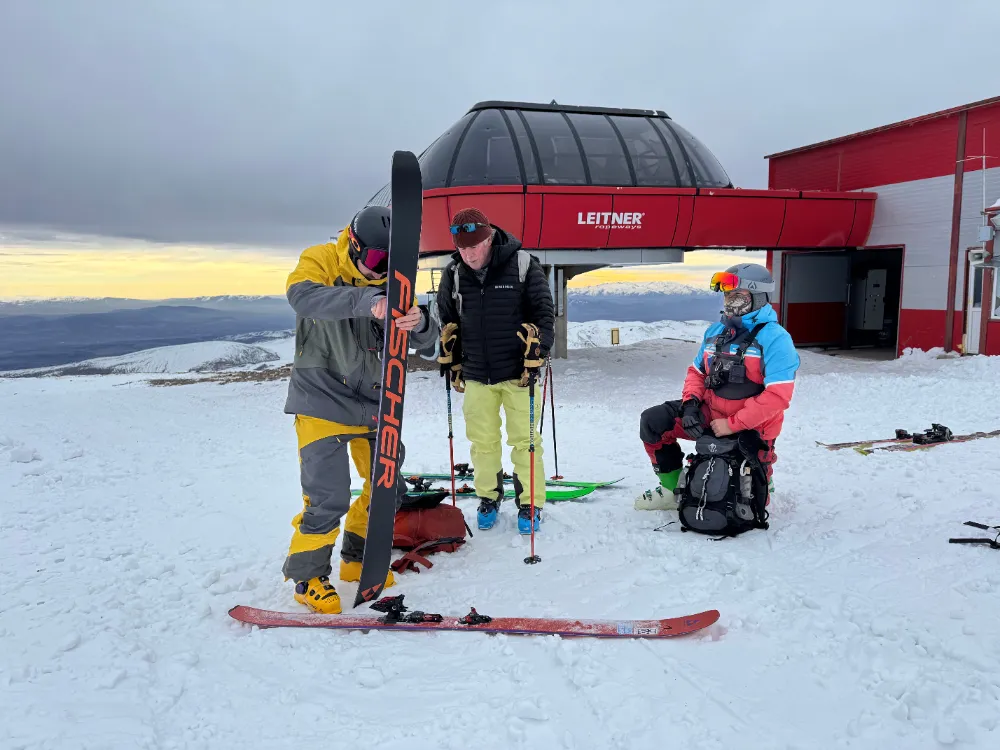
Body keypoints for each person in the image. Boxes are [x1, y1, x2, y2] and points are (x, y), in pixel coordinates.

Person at [281, 205, 440, 614]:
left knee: (386, 487)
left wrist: (419, 324)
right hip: (321, 400)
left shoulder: (394, 286)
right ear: (352, 245)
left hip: (375, 403)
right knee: (327, 496)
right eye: (373, 260)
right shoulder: (320, 260)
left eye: (389, 263)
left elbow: (427, 342)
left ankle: (357, 558)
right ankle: (308, 577)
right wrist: (369, 302)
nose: (379, 270)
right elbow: (303, 297)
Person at [634, 262, 799, 510]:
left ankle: (763, 475)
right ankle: (672, 488)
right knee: (653, 421)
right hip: (711, 413)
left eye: (736, 295)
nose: (729, 301)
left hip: (753, 427)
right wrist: (690, 405)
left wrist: (733, 424)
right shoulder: (716, 332)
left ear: (758, 296)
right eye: (726, 295)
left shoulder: (776, 339)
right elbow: (697, 372)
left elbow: (777, 396)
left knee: (748, 503)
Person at [435, 207, 555, 534]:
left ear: (489, 238)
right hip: (476, 373)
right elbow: (448, 321)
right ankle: (488, 496)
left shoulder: (523, 265)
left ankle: (530, 503)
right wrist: (450, 353)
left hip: (519, 373)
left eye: (474, 246)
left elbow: (545, 317)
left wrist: (538, 351)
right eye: (462, 248)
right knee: (482, 442)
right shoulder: (454, 273)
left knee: (526, 441)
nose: (469, 254)